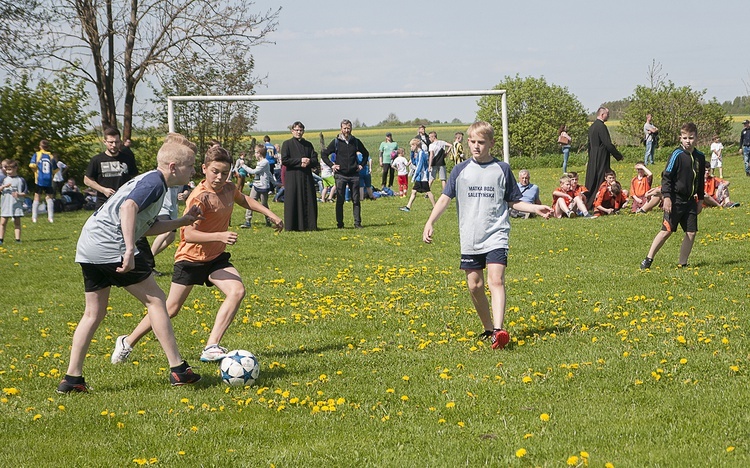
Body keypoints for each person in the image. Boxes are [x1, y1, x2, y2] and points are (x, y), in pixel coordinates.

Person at [110, 145, 283, 365]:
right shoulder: (199, 197)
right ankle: (127, 341)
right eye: (215, 172)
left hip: (215, 258)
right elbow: (188, 234)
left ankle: (212, 345)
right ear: (204, 169)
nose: (220, 177)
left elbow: (244, 200)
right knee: (170, 309)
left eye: (225, 172)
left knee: (237, 291)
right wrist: (219, 235)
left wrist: (271, 214)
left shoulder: (229, 189)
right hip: (190, 259)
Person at [57, 139, 204, 393]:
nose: (193, 171)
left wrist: (183, 221)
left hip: (89, 244)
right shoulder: (154, 183)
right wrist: (127, 249)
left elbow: (146, 226)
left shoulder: (153, 182)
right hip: (109, 244)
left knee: (93, 313)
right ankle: (178, 370)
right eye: (190, 166)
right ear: (173, 167)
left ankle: (72, 379)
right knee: (157, 301)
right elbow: (129, 207)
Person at [422, 121, 552, 350]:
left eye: (481, 142)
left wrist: (535, 208)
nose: (475, 146)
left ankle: (500, 330)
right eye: (472, 142)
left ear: (491, 143)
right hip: (471, 236)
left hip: (496, 233)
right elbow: (444, 198)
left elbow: (513, 200)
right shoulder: (460, 171)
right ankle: (489, 328)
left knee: (496, 280)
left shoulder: (502, 169)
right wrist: (430, 221)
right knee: (474, 285)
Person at [640, 122, 706, 270]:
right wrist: (667, 198)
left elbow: (700, 180)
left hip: (690, 201)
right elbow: (667, 178)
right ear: (680, 138)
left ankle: (683, 263)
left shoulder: (700, 157)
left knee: (691, 232)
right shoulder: (676, 155)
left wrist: (700, 200)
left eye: (691, 138)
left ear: (696, 138)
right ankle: (648, 258)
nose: (688, 141)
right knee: (666, 231)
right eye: (685, 138)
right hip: (675, 199)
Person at [321, 119, 369, 229]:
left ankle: (357, 223)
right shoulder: (336, 142)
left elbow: (366, 154)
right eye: (345, 128)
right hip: (340, 175)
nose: (347, 130)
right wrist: (332, 165)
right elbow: (324, 155)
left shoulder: (355, 141)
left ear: (351, 129)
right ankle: (340, 224)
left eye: (348, 128)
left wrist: (361, 164)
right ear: (341, 129)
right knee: (340, 200)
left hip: (354, 175)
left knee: (356, 200)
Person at [84, 127, 139, 209]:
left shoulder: (127, 159)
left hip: (124, 201)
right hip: (103, 202)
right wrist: (103, 190)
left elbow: (135, 178)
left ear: (120, 142)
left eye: (116, 142)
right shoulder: (97, 160)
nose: (114, 145)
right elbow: (87, 180)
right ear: (104, 142)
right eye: (111, 142)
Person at [281, 121, 319, 231]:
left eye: (301, 130)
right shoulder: (287, 144)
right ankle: (293, 226)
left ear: (303, 131)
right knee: (293, 200)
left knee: (308, 199)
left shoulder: (308, 145)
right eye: (296, 130)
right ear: (292, 131)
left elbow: (315, 159)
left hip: (306, 177)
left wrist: (308, 162)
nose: (299, 132)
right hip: (293, 177)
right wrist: (299, 161)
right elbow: (285, 160)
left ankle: (309, 225)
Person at [585, 107, 623, 210]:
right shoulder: (601, 127)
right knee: (602, 178)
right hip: (601, 156)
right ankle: (599, 202)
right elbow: (607, 144)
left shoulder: (592, 126)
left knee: (593, 178)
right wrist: (618, 155)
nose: (609, 116)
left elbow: (589, 145)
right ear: (602, 115)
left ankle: (589, 202)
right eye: (607, 114)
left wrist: (590, 158)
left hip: (593, 155)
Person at [240, 144, 274, 228]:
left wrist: (243, 165)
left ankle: (268, 220)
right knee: (250, 202)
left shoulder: (264, 162)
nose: (255, 154)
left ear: (259, 153)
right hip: (256, 185)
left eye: (255, 152)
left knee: (264, 205)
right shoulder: (260, 162)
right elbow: (268, 174)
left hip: (263, 187)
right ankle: (248, 221)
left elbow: (254, 171)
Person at [399, 138, 434, 212]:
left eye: (412, 146)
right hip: (420, 176)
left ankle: (435, 206)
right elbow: (414, 162)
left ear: (416, 145)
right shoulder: (418, 154)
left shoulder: (421, 153)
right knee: (414, 191)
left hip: (422, 176)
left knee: (427, 191)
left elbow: (419, 166)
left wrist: (414, 176)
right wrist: (411, 153)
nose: (411, 147)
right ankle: (408, 207)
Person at [29, 139, 58, 223]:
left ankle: (34, 217)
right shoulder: (51, 156)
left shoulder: (37, 154)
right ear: (48, 147)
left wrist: (35, 171)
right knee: (49, 197)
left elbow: (32, 165)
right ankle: (50, 217)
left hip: (40, 178)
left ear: (40, 146)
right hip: (48, 179)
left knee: (37, 196)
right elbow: (55, 169)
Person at [0, 159, 27, 244]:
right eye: (7, 170)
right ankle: (1, 239)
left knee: (17, 222)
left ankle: (18, 239)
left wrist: (18, 194)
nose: (8, 172)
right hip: (6, 203)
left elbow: (25, 193)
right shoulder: (3, 179)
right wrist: (4, 186)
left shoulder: (21, 180)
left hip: (16, 204)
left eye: (10, 170)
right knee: (3, 222)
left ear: (16, 168)